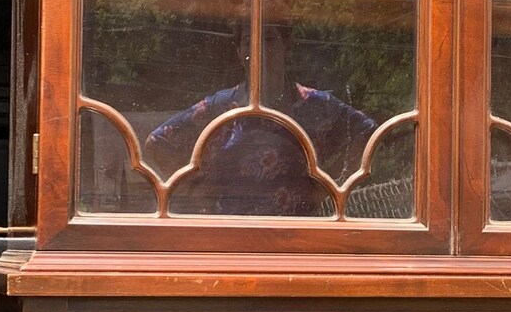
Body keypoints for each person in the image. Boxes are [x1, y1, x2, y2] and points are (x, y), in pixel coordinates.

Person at [148, 24, 374, 216]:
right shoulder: (221, 107)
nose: (259, 49)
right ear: (239, 51)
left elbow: (366, 133)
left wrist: (325, 187)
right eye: (248, 40)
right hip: (228, 236)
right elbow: (158, 143)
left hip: (297, 235)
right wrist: (198, 193)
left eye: (269, 39)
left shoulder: (315, 105)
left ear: (287, 45)